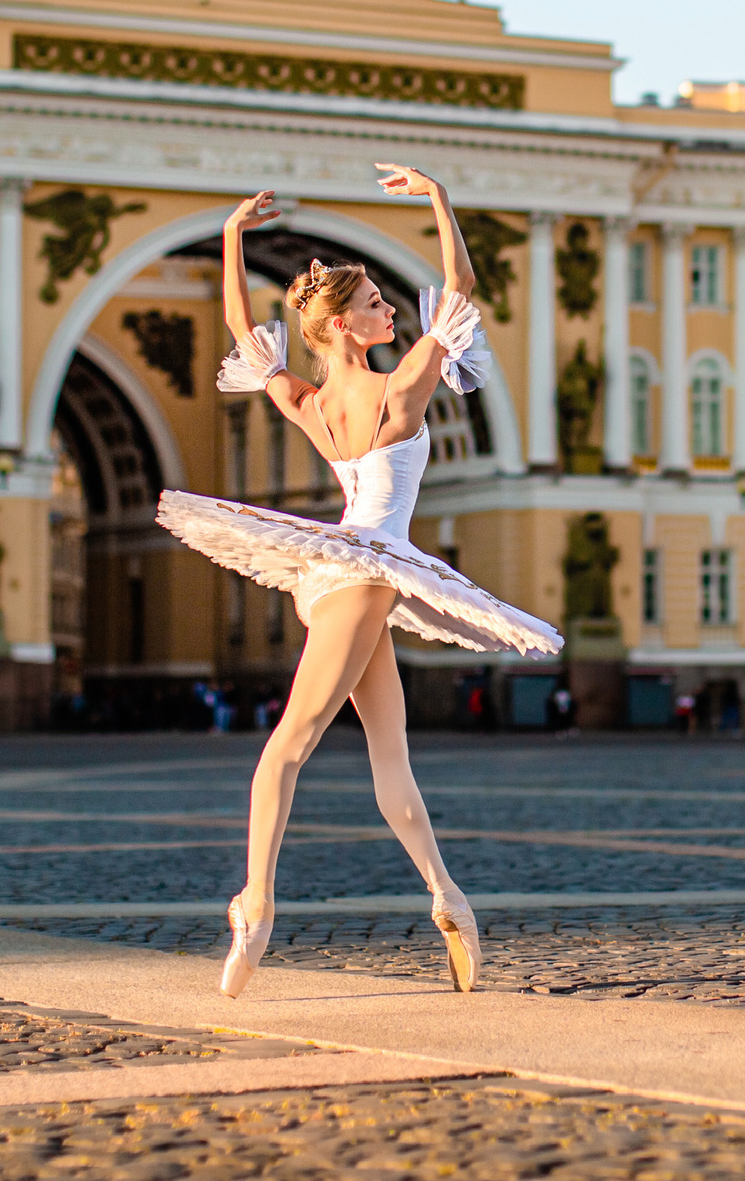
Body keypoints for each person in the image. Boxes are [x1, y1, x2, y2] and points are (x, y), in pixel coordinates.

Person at [155, 168, 562, 998]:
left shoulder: (308, 399)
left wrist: (233, 234)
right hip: (367, 565)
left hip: (344, 570)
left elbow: (242, 322)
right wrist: (442, 198)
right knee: (307, 746)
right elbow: (460, 286)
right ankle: (261, 906)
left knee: (360, 755)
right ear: (343, 323)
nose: (390, 310)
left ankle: (439, 895)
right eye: (376, 302)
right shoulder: (398, 388)